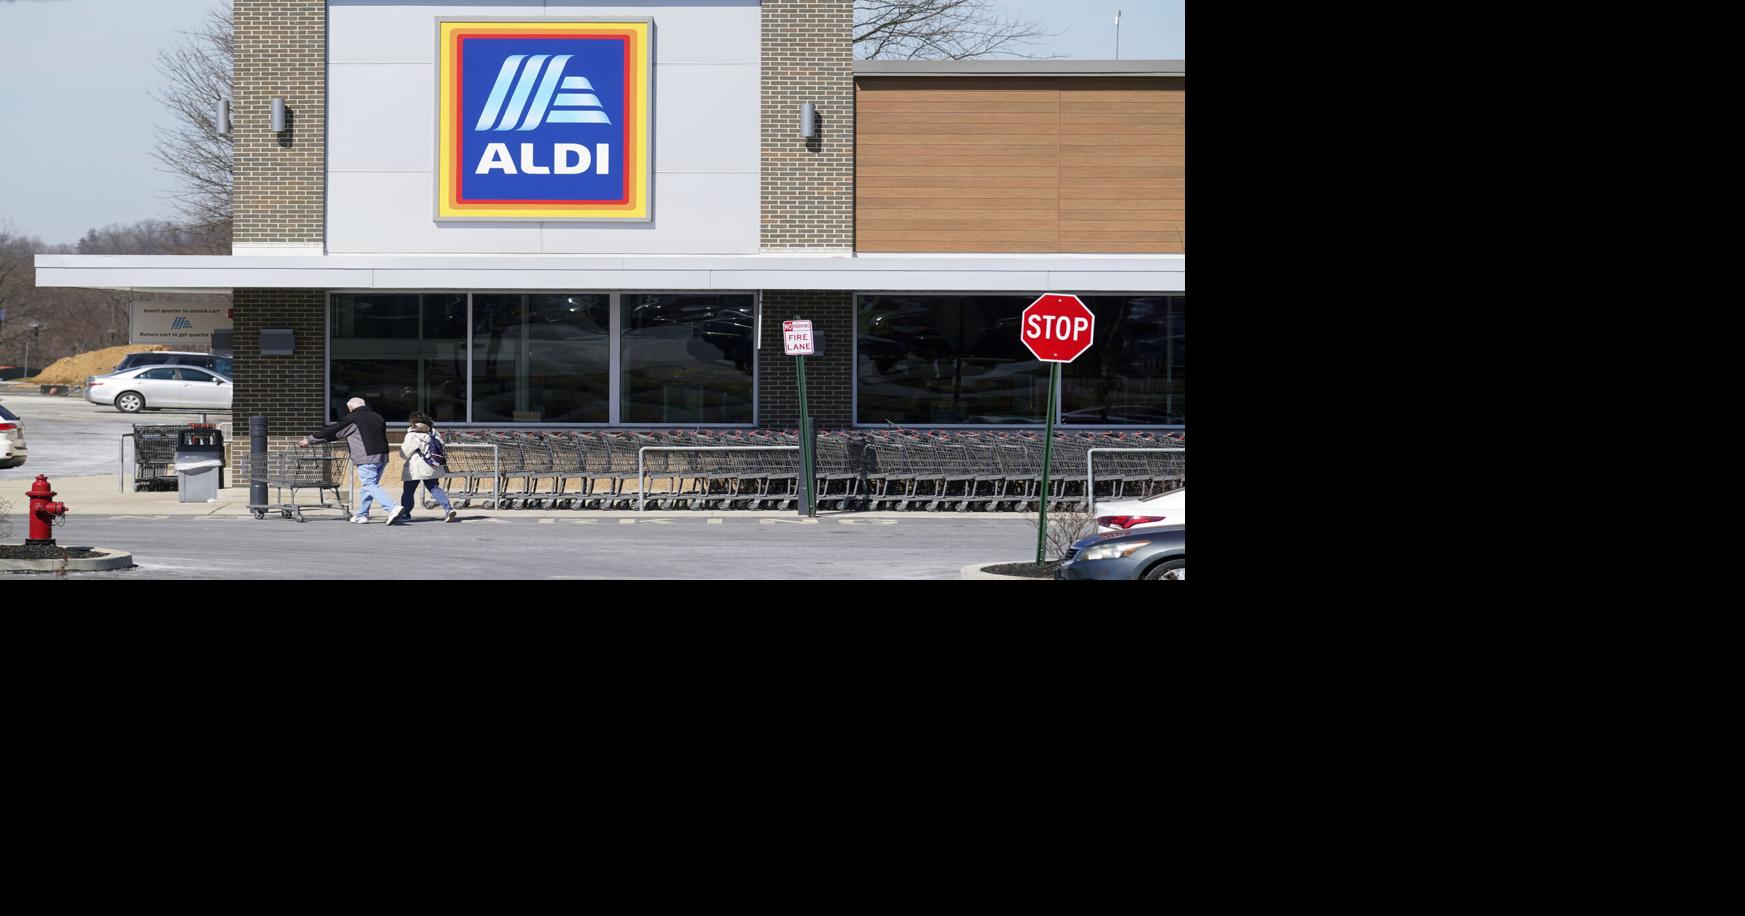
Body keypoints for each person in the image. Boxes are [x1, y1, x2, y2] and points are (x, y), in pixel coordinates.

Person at [301, 397, 398, 525]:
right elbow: (339, 433)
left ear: (351, 407)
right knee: (369, 485)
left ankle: (392, 507)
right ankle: (362, 515)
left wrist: (310, 440)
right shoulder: (377, 416)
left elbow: (333, 430)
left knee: (369, 484)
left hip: (366, 456)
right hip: (382, 456)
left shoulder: (353, 418)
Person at [395, 410, 458, 524]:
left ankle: (405, 513)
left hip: (415, 467)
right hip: (432, 465)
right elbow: (441, 446)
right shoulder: (433, 432)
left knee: (408, 491)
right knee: (434, 488)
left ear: (412, 421)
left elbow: (404, 453)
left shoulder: (412, 434)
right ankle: (448, 508)